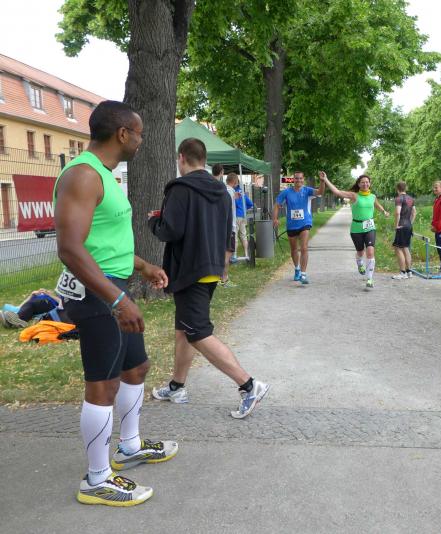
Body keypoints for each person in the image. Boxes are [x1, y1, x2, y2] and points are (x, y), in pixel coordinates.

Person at [54, 100, 176, 506]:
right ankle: (97, 478)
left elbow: (105, 241)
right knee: (102, 384)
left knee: (135, 368)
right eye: (138, 134)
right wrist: (118, 299)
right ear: (123, 133)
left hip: (113, 285)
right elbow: (71, 248)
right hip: (97, 292)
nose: (141, 141)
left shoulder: (103, 175)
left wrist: (143, 266)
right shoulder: (84, 175)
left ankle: (129, 446)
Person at [149, 138, 270, 418]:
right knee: (184, 329)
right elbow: (228, 230)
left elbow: (170, 230)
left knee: (197, 332)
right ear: (204, 160)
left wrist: (153, 221)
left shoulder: (180, 188)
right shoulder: (222, 190)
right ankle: (177, 386)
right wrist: (224, 261)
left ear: (182, 158)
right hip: (211, 268)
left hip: (189, 270)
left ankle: (248, 385)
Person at [318, 173, 389, 289]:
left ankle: (369, 278)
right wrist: (325, 179)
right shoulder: (354, 196)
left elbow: (377, 205)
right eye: (363, 182)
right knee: (360, 252)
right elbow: (337, 192)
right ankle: (360, 262)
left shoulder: (372, 196)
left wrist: (384, 211)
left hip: (370, 227)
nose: (365, 184)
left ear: (370, 184)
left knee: (370, 251)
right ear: (359, 184)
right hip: (356, 228)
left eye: (367, 182)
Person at [272, 170, 326, 284]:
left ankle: (303, 274)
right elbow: (277, 205)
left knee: (304, 248)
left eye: (301, 178)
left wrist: (322, 181)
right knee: (294, 249)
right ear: (293, 179)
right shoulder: (286, 192)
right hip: (291, 224)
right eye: (296, 178)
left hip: (305, 223)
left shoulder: (307, 191)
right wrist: (275, 218)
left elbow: (320, 192)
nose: (298, 180)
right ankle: (297, 269)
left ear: (303, 179)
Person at [214, 164, 236, 287]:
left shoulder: (216, 188)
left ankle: (219, 278)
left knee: (222, 253)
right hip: (229, 226)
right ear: (222, 172)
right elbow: (229, 210)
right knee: (227, 254)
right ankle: (223, 279)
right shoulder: (228, 191)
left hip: (218, 226)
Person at [1, 289, 70, 328]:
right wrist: (31, 295)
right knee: (30, 304)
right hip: (35, 306)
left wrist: (49, 294)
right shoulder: (34, 297)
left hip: (48, 303)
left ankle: (15, 319)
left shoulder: (51, 297)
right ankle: (11, 322)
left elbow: (62, 303)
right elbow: (21, 306)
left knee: (31, 304)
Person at [391, 181, 416, 280]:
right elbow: (414, 212)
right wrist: (410, 223)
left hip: (401, 225)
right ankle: (409, 272)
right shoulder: (411, 199)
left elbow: (398, 212)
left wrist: (396, 225)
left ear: (397, 189)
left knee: (398, 248)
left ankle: (402, 272)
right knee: (406, 248)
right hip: (408, 225)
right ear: (406, 188)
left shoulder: (399, 199)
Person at [229, 172, 253, 261]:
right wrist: (244, 209)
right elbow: (250, 204)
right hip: (243, 216)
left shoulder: (232, 192)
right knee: (243, 235)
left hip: (236, 216)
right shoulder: (242, 192)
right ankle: (246, 254)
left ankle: (234, 255)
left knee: (234, 236)